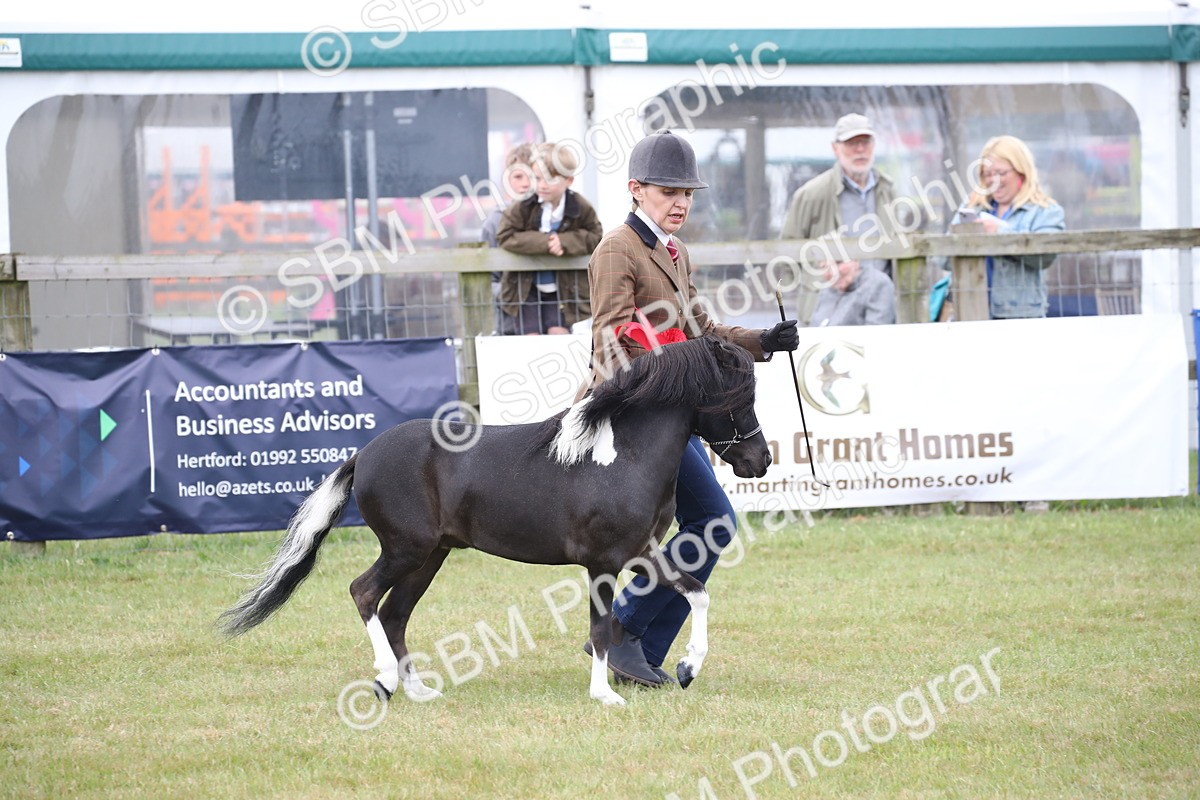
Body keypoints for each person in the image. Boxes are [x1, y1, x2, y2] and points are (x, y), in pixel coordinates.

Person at [580, 129, 799, 687]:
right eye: (668, 191)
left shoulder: (675, 252)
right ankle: (621, 632)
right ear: (636, 190)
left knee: (710, 523)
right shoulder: (616, 249)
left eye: (688, 193)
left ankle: (639, 648)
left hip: (672, 417)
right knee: (713, 519)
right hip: (636, 419)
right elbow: (607, 343)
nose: (680, 202)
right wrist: (671, 373)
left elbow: (703, 331)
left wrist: (763, 341)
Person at [780, 113, 899, 324]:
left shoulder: (888, 190)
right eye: (852, 143)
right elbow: (787, 257)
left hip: (880, 302)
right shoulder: (811, 194)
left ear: (874, 145)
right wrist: (823, 273)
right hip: (831, 303)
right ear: (835, 148)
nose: (860, 149)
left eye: (865, 142)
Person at [949, 135, 1066, 320]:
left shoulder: (1046, 211)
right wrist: (964, 234)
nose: (994, 180)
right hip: (969, 313)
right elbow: (942, 260)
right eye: (988, 174)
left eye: (1001, 173)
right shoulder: (973, 206)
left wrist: (998, 233)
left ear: (1022, 172)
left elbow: (1046, 257)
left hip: (1019, 318)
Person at [496, 142, 602, 335]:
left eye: (550, 179)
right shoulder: (523, 205)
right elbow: (505, 235)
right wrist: (544, 242)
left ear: (568, 180)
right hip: (525, 289)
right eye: (537, 178)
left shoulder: (579, 206)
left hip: (562, 289)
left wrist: (566, 241)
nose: (542, 185)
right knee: (531, 337)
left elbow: (595, 235)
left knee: (558, 334)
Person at [481, 142, 536, 333]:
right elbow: (489, 280)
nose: (526, 183)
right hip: (509, 323)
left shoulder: (556, 218)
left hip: (551, 320)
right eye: (518, 176)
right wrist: (510, 295)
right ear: (508, 180)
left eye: (532, 175)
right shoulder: (495, 222)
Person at [809, 259, 896, 327]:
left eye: (838, 263)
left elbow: (876, 335)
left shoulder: (877, 284)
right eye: (825, 267)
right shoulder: (827, 288)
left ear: (855, 261)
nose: (833, 272)